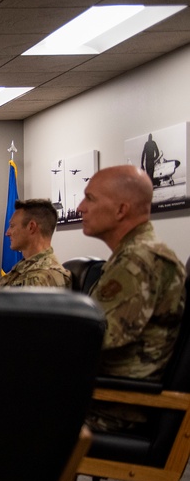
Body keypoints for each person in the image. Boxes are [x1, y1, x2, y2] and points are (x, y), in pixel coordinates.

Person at [77, 164, 186, 431]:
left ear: (121, 210)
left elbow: (99, 338)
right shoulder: (133, 255)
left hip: (115, 405)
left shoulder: (139, 260)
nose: (80, 207)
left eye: (90, 198)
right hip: (101, 392)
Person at [0, 198, 72, 289]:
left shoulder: (43, 278)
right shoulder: (24, 267)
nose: (7, 233)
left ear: (31, 227)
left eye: (12, 226)